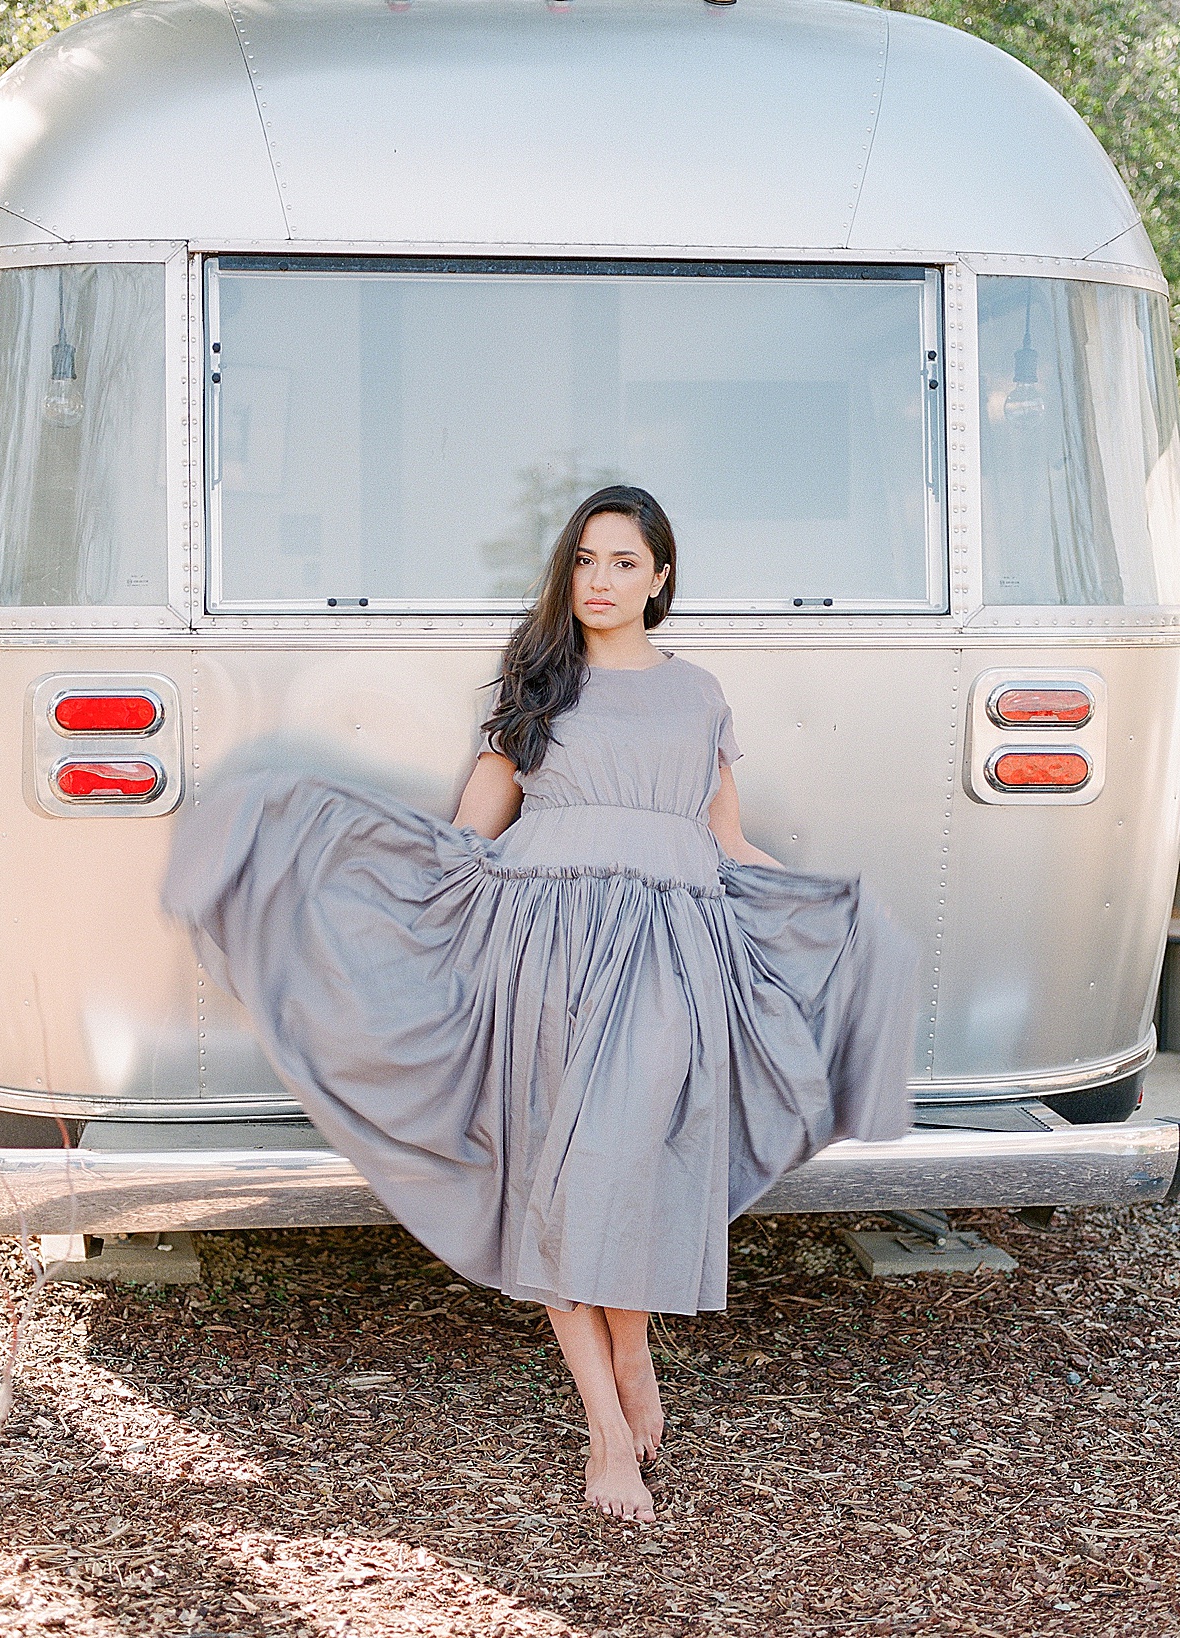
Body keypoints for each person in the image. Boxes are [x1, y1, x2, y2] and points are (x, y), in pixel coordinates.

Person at [164, 485, 917, 1526]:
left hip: (671, 954)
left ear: (660, 579)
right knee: (562, 1175)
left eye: (622, 562)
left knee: (640, 1164)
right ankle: (607, 1431)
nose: (599, 580)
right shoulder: (538, 683)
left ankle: (636, 1350)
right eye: (584, 561)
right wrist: (355, 877)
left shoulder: (699, 695)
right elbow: (471, 830)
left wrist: (836, 911)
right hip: (548, 952)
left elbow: (727, 842)